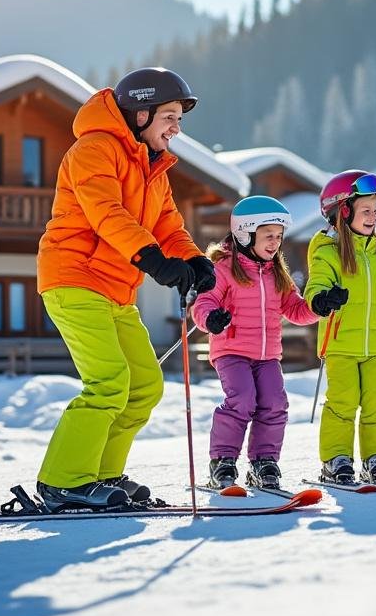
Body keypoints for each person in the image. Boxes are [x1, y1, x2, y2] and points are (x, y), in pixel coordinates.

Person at [34, 67, 216, 511]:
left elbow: (169, 225)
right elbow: (106, 212)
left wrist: (195, 260)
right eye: (169, 117)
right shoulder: (94, 150)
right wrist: (151, 258)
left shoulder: (155, 167)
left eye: (179, 120)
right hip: (74, 277)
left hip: (116, 289)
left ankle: (102, 474)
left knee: (144, 386)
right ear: (140, 114)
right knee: (109, 382)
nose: (176, 129)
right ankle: (63, 483)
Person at [191, 196, 319, 490]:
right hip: (232, 350)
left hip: (268, 354)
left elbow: (295, 309)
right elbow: (204, 302)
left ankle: (264, 461)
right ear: (244, 234)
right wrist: (210, 318)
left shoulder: (276, 271)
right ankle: (222, 460)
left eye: (278, 236)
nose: (275, 243)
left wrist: (319, 307)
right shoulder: (222, 268)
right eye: (267, 236)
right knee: (242, 400)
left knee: (274, 403)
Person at [304, 170, 376, 485]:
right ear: (344, 210)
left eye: (375, 211)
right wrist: (323, 299)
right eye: (366, 210)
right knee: (343, 401)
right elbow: (317, 284)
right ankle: (336, 458)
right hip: (340, 344)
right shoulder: (327, 249)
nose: (373, 217)